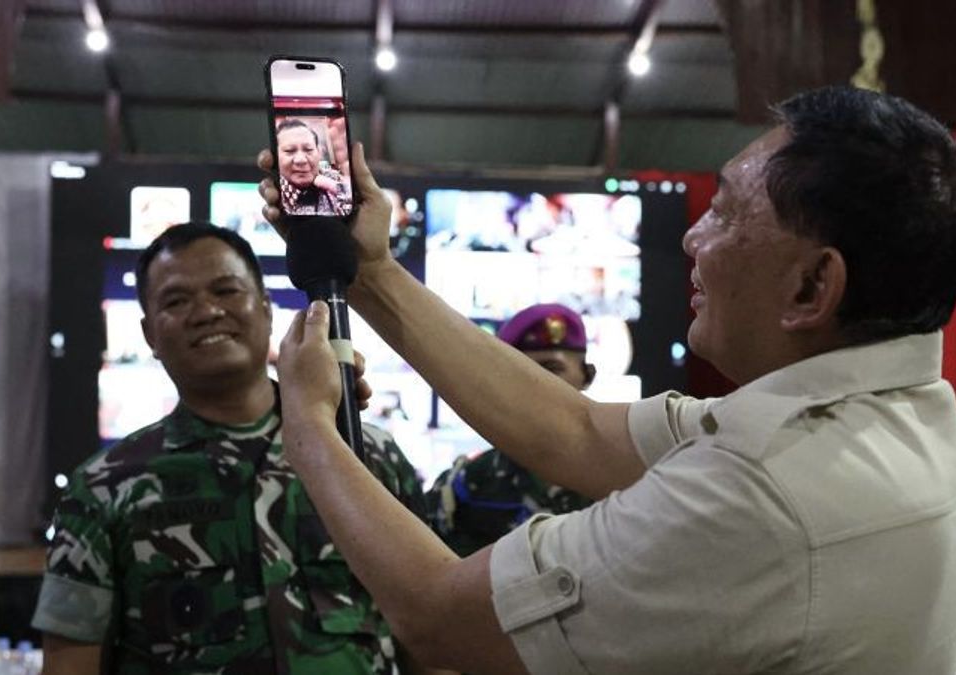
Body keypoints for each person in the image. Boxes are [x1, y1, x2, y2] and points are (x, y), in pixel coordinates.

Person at [261, 85, 956, 673]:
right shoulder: (901, 406)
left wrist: (307, 425)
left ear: (811, 288)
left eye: (727, 212)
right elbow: (576, 430)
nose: (691, 237)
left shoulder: (766, 495)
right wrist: (375, 271)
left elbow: (441, 617)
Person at [31, 223, 433, 674]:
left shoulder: (366, 456)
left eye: (226, 290)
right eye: (177, 301)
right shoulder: (103, 491)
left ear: (265, 308)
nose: (206, 311)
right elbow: (70, 663)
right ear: (149, 334)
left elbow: (432, 638)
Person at [427, 303, 596, 557]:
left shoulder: (628, 482)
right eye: (521, 372)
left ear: (587, 376)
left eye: (552, 369)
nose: (535, 382)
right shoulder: (465, 487)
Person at [276, 118, 351, 217]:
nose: (301, 160)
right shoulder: (274, 192)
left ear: (319, 153)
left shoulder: (332, 179)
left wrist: (332, 186)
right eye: (290, 151)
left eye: (308, 149)